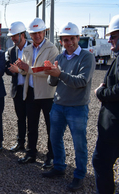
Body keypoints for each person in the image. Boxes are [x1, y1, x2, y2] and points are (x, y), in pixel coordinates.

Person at [42, 22, 95, 192]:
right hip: (58, 105)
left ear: (78, 38)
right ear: (61, 41)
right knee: (54, 138)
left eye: (72, 38)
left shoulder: (87, 57)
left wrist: (60, 74)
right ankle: (59, 166)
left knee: (79, 144)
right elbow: (53, 82)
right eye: (65, 40)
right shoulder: (60, 58)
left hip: (77, 107)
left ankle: (79, 176)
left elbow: (81, 81)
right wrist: (51, 72)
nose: (68, 42)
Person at [15, 18, 58, 168]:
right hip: (31, 92)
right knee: (31, 126)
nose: (37, 35)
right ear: (30, 35)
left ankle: (51, 157)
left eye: (39, 32)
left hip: (47, 94)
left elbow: (48, 70)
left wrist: (27, 68)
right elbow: (24, 71)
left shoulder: (52, 49)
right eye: (34, 33)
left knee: (50, 127)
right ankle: (31, 153)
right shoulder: (27, 49)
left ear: (44, 31)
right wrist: (21, 68)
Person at [92, 14, 119, 194]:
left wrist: (100, 92)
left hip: (115, 125)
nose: (109, 39)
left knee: (100, 161)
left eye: (114, 36)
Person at [5, 21, 30, 152]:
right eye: (11, 36)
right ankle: (20, 143)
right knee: (20, 118)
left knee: (31, 118)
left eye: (15, 35)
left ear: (22, 34)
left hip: (30, 89)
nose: (13, 38)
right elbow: (6, 68)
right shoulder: (11, 51)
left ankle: (32, 146)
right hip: (17, 89)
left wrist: (21, 69)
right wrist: (13, 69)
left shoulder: (32, 48)